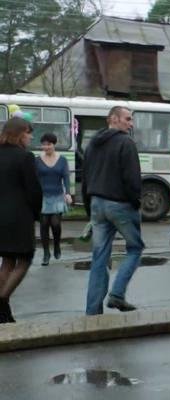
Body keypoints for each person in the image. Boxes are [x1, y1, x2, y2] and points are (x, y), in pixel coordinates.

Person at [83, 106, 145, 315]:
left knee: (99, 257)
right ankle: (117, 294)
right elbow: (132, 178)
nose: (131, 123)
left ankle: (92, 311)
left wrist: (89, 207)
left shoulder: (92, 143)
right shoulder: (126, 143)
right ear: (113, 119)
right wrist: (136, 202)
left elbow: (86, 176)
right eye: (127, 119)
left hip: (96, 203)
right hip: (120, 204)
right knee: (135, 248)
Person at [0, 117, 42, 323]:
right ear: (19, 134)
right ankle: (1, 301)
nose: (31, 137)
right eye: (28, 133)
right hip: (19, 216)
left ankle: (3, 312)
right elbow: (34, 190)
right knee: (25, 258)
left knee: (8, 260)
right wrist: (36, 213)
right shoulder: (25, 157)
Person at [36, 133, 73, 266]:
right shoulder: (37, 160)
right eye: (44, 144)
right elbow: (33, 178)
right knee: (44, 224)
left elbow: (66, 177)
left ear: (54, 144)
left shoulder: (62, 160)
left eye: (49, 144)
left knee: (55, 224)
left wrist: (67, 193)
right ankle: (46, 253)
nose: (46, 147)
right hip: (42, 197)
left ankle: (56, 244)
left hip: (57, 196)